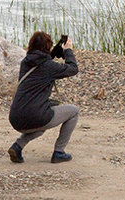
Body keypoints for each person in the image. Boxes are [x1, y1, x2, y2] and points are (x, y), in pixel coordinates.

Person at [8, 31, 80, 164]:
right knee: (74, 111)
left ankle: (17, 146)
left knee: (47, 114)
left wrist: (53, 53)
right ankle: (59, 152)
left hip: (15, 117)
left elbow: (41, 63)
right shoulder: (49, 67)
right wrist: (68, 51)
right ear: (47, 47)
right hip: (36, 116)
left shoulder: (26, 63)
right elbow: (73, 68)